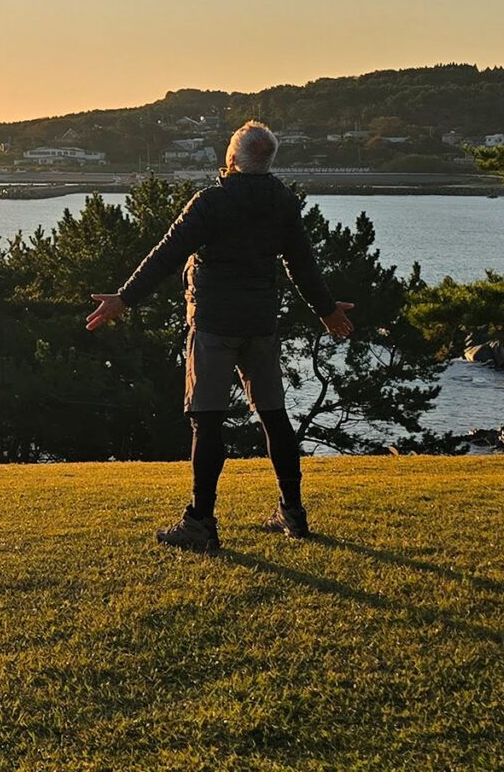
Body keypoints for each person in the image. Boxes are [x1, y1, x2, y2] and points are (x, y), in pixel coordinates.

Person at [86, 120, 352, 549]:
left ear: (232, 157)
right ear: (267, 161)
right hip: (261, 323)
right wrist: (326, 310)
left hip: (213, 323)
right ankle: (293, 513)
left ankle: (200, 522)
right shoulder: (283, 202)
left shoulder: (212, 201)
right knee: (274, 416)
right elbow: (301, 264)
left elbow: (167, 254)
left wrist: (124, 298)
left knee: (207, 421)